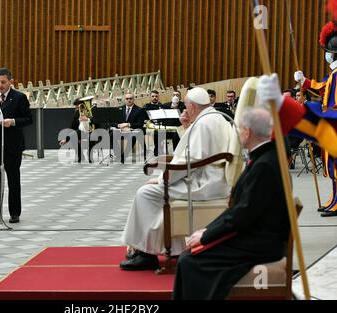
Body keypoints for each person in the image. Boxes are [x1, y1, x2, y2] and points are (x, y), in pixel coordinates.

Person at [173, 107, 290, 300]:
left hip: (260, 242)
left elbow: (241, 215)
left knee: (188, 261)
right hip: (257, 234)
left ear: (247, 132)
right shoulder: (266, 157)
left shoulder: (264, 166)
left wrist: (206, 236)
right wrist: (206, 231)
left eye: (239, 128)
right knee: (190, 256)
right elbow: (240, 210)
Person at [120, 87, 233, 271]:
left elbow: (190, 160)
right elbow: (194, 150)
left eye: (187, 107)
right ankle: (161, 248)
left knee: (145, 193)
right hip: (214, 179)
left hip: (204, 182)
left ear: (194, 107)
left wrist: (161, 179)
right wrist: (187, 126)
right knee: (150, 193)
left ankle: (146, 254)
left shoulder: (204, 123)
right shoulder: (215, 117)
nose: (185, 110)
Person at [0, 68, 33, 224]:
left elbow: (28, 119)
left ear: (10, 81)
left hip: (12, 145)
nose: (0, 85)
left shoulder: (19, 97)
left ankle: (14, 213)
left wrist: (13, 122)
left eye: (3, 82)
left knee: (13, 180)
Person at [294, 20, 337, 216]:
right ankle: (334, 199)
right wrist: (304, 82)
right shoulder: (334, 74)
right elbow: (322, 88)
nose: (326, 55)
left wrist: (311, 108)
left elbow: (332, 105)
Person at [59, 98, 99, 163]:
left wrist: (87, 119)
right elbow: (72, 125)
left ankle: (90, 156)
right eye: (76, 106)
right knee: (72, 135)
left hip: (91, 131)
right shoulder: (77, 112)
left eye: (77, 106)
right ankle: (80, 155)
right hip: (81, 131)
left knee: (92, 137)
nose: (77, 108)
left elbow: (97, 122)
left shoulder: (92, 111)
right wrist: (66, 139)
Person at [110, 93, 145, 163]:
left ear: (133, 99)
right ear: (124, 100)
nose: (129, 100)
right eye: (127, 99)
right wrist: (119, 126)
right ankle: (119, 155)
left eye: (130, 99)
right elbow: (112, 122)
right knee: (111, 135)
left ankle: (124, 156)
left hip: (133, 130)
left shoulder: (139, 110)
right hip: (121, 130)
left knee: (132, 137)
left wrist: (128, 124)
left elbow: (140, 124)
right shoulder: (119, 109)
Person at [143, 90, 169, 157]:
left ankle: (160, 151)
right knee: (157, 132)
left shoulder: (162, 106)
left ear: (158, 97)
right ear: (150, 97)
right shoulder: (145, 106)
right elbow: (143, 118)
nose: (154, 98)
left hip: (161, 124)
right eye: (153, 96)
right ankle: (158, 151)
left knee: (160, 132)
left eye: (156, 96)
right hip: (150, 124)